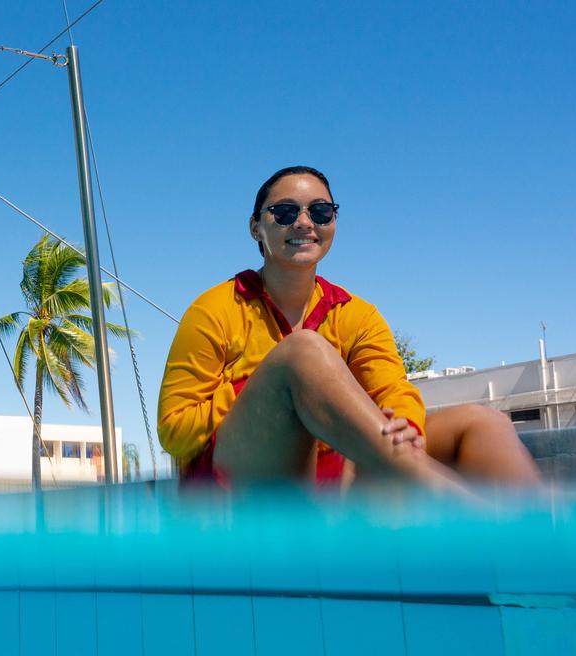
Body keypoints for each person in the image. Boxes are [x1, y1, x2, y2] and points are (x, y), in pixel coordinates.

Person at [157, 166, 539, 493]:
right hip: (238, 497)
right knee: (302, 352)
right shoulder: (215, 309)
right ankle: (466, 511)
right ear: (256, 227)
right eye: (285, 212)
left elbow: (393, 391)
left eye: (320, 212)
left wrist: (405, 422)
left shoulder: (356, 313)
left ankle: (545, 539)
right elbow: (174, 432)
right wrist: (270, 385)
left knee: (481, 423)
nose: (305, 222)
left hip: (333, 485)